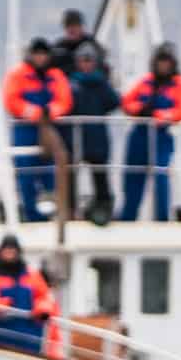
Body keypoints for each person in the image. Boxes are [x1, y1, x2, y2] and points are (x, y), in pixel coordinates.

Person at [117, 42, 181, 222]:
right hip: (139, 135)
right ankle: (128, 216)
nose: (163, 65)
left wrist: (159, 115)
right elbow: (127, 102)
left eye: (167, 61)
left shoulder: (180, 85)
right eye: (161, 61)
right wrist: (139, 109)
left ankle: (161, 217)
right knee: (133, 177)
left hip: (161, 136)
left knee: (160, 175)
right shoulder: (146, 82)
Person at [1, 39, 72, 222]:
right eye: (37, 53)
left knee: (50, 173)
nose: (40, 57)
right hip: (25, 131)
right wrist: (35, 113)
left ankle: (50, 211)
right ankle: (30, 213)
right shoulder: (18, 75)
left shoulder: (55, 75)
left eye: (43, 54)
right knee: (26, 173)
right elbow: (11, 100)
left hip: (50, 131)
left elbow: (64, 100)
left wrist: (52, 111)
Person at [62, 41, 117, 225]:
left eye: (89, 60)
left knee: (100, 174)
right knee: (71, 174)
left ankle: (103, 205)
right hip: (75, 137)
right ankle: (70, 209)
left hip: (96, 137)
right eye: (83, 60)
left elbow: (114, 101)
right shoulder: (71, 84)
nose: (86, 64)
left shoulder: (101, 84)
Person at [0, 234, 59, 354]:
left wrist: (43, 309)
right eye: (6, 249)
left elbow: (43, 297)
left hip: (29, 339)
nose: (9, 252)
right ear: (0, 252)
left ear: (18, 252)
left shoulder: (33, 275)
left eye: (12, 250)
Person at [50, 8, 99, 76]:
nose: (72, 29)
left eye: (75, 25)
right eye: (68, 25)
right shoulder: (58, 48)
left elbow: (101, 69)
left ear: (81, 27)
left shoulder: (93, 47)